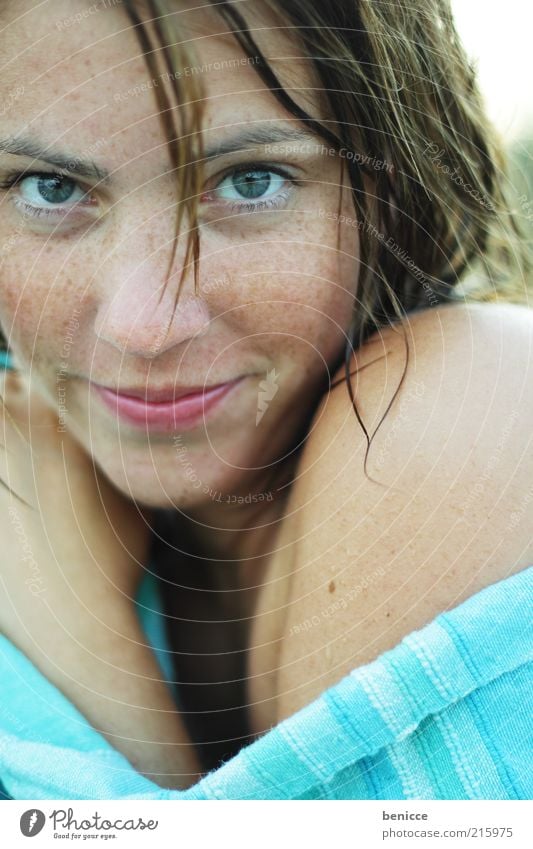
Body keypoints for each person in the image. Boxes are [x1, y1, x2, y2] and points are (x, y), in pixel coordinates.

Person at [0, 0, 531, 800]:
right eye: (49, 187)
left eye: (250, 182)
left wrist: (77, 639)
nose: (144, 326)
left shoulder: (470, 401)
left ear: (389, 192)